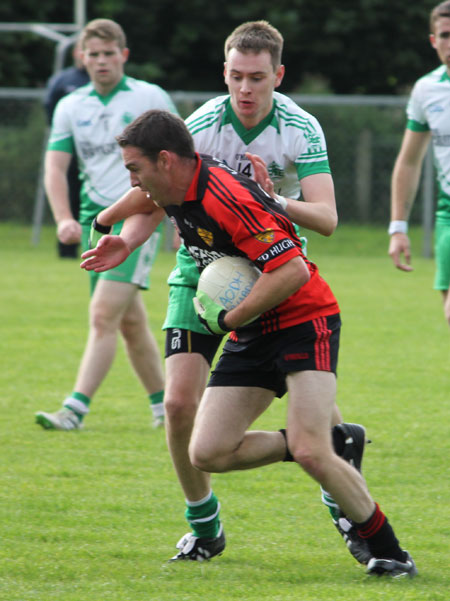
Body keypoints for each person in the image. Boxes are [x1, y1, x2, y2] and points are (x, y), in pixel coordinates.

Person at [82, 109, 417, 578]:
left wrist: (230, 317)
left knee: (311, 450)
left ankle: (391, 552)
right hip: (255, 328)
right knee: (208, 452)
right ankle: (328, 442)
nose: (132, 179)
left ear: (165, 160)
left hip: (305, 318)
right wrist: (117, 234)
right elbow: (146, 201)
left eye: (134, 168)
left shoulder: (225, 197)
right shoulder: (173, 185)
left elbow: (293, 270)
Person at [34, 18, 177, 431]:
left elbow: (181, 158)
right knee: (128, 322)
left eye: (108, 54)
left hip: (140, 214)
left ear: (123, 56)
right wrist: (64, 219)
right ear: (81, 58)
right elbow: (55, 168)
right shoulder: (70, 105)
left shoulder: (150, 97)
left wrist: (177, 217)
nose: (101, 61)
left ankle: (74, 409)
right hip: (95, 219)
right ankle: (163, 408)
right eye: (93, 55)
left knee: (101, 315)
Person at [389, 0, 450, 327]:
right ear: (433, 40)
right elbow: (409, 161)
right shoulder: (427, 90)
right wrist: (398, 227)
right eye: (446, 35)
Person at [44, 39, 90, 258]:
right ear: (77, 53)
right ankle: (67, 247)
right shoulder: (64, 81)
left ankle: (96, 244)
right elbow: (49, 108)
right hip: (70, 151)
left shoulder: (103, 81)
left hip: (98, 156)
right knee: (68, 194)